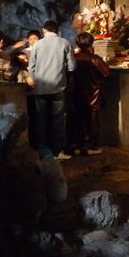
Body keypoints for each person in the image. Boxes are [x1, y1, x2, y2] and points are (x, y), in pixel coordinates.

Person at [26, 20, 76, 163]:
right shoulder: (64, 43)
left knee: (40, 120)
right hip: (58, 87)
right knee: (57, 121)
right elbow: (72, 66)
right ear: (57, 30)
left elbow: (31, 67)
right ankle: (57, 151)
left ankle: (43, 151)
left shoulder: (37, 44)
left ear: (44, 30)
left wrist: (35, 78)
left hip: (40, 88)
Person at [66, 32, 110, 156]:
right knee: (92, 122)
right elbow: (106, 73)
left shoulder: (73, 58)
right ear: (91, 44)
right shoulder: (95, 59)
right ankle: (90, 145)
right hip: (92, 95)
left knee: (76, 120)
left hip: (75, 94)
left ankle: (75, 144)